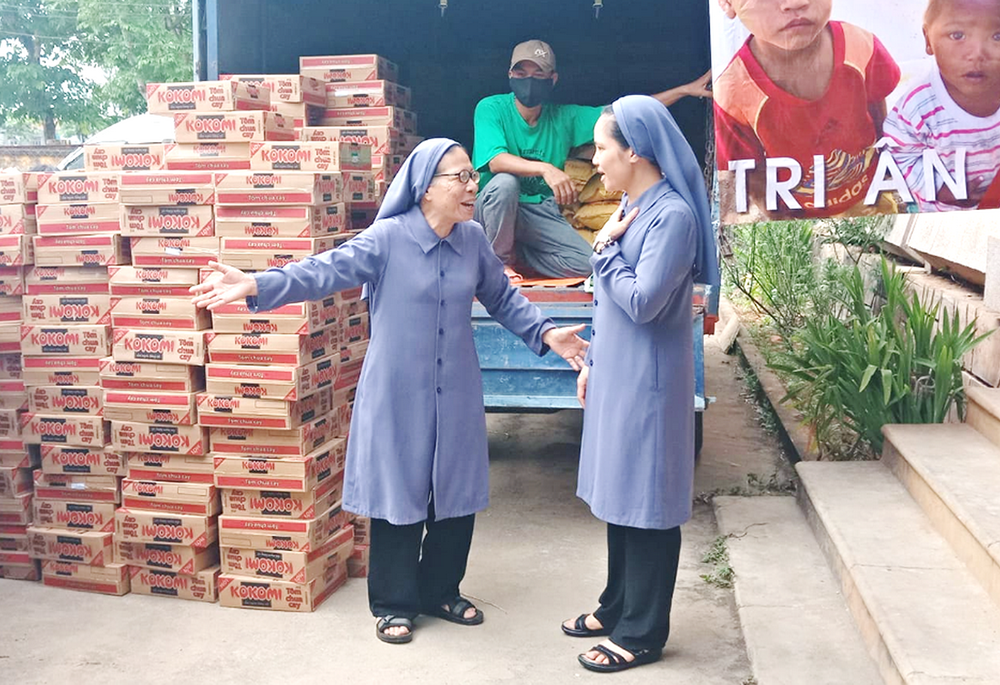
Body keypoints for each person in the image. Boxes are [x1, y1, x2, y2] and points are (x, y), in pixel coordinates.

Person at [190, 139, 589, 645]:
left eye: (472, 176)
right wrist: (256, 284)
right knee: (399, 492)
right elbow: (323, 270)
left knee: (456, 490)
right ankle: (395, 603)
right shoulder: (387, 238)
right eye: (461, 178)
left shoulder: (472, 241)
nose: (473, 186)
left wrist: (548, 333)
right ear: (425, 190)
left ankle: (442, 590)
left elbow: (505, 298)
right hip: (397, 387)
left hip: (457, 387)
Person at [561, 95, 720, 673]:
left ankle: (643, 632)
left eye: (603, 148)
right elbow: (609, 308)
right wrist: (594, 363)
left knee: (649, 502)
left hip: (650, 383)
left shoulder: (672, 215)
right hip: (620, 373)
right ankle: (617, 603)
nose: (596, 160)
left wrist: (603, 252)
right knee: (622, 495)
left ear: (634, 150)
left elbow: (644, 302)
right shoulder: (634, 202)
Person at [473, 39, 712, 281]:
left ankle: (518, 252)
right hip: (493, 211)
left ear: (553, 79)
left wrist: (684, 90)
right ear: (510, 74)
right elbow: (496, 160)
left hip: (536, 209)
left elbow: (626, 114)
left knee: (586, 265)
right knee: (505, 184)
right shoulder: (491, 108)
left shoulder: (564, 117)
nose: (529, 80)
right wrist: (546, 169)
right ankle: (497, 265)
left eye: (538, 73)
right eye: (521, 72)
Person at [714, 0, 901, 218]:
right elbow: (751, 175)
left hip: (871, 194)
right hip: (802, 215)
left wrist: (885, 170)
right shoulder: (732, 93)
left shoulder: (860, 44)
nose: (795, 3)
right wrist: (784, 223)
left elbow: (879, 112)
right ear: (727, 3)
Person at [883, 0, 1000, 211]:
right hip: (944, 212)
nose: (977, 54)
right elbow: (899, 156)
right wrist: (940, 189)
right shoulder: (917, 108)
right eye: (958, 35)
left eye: (997, 36)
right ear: (928, 40)